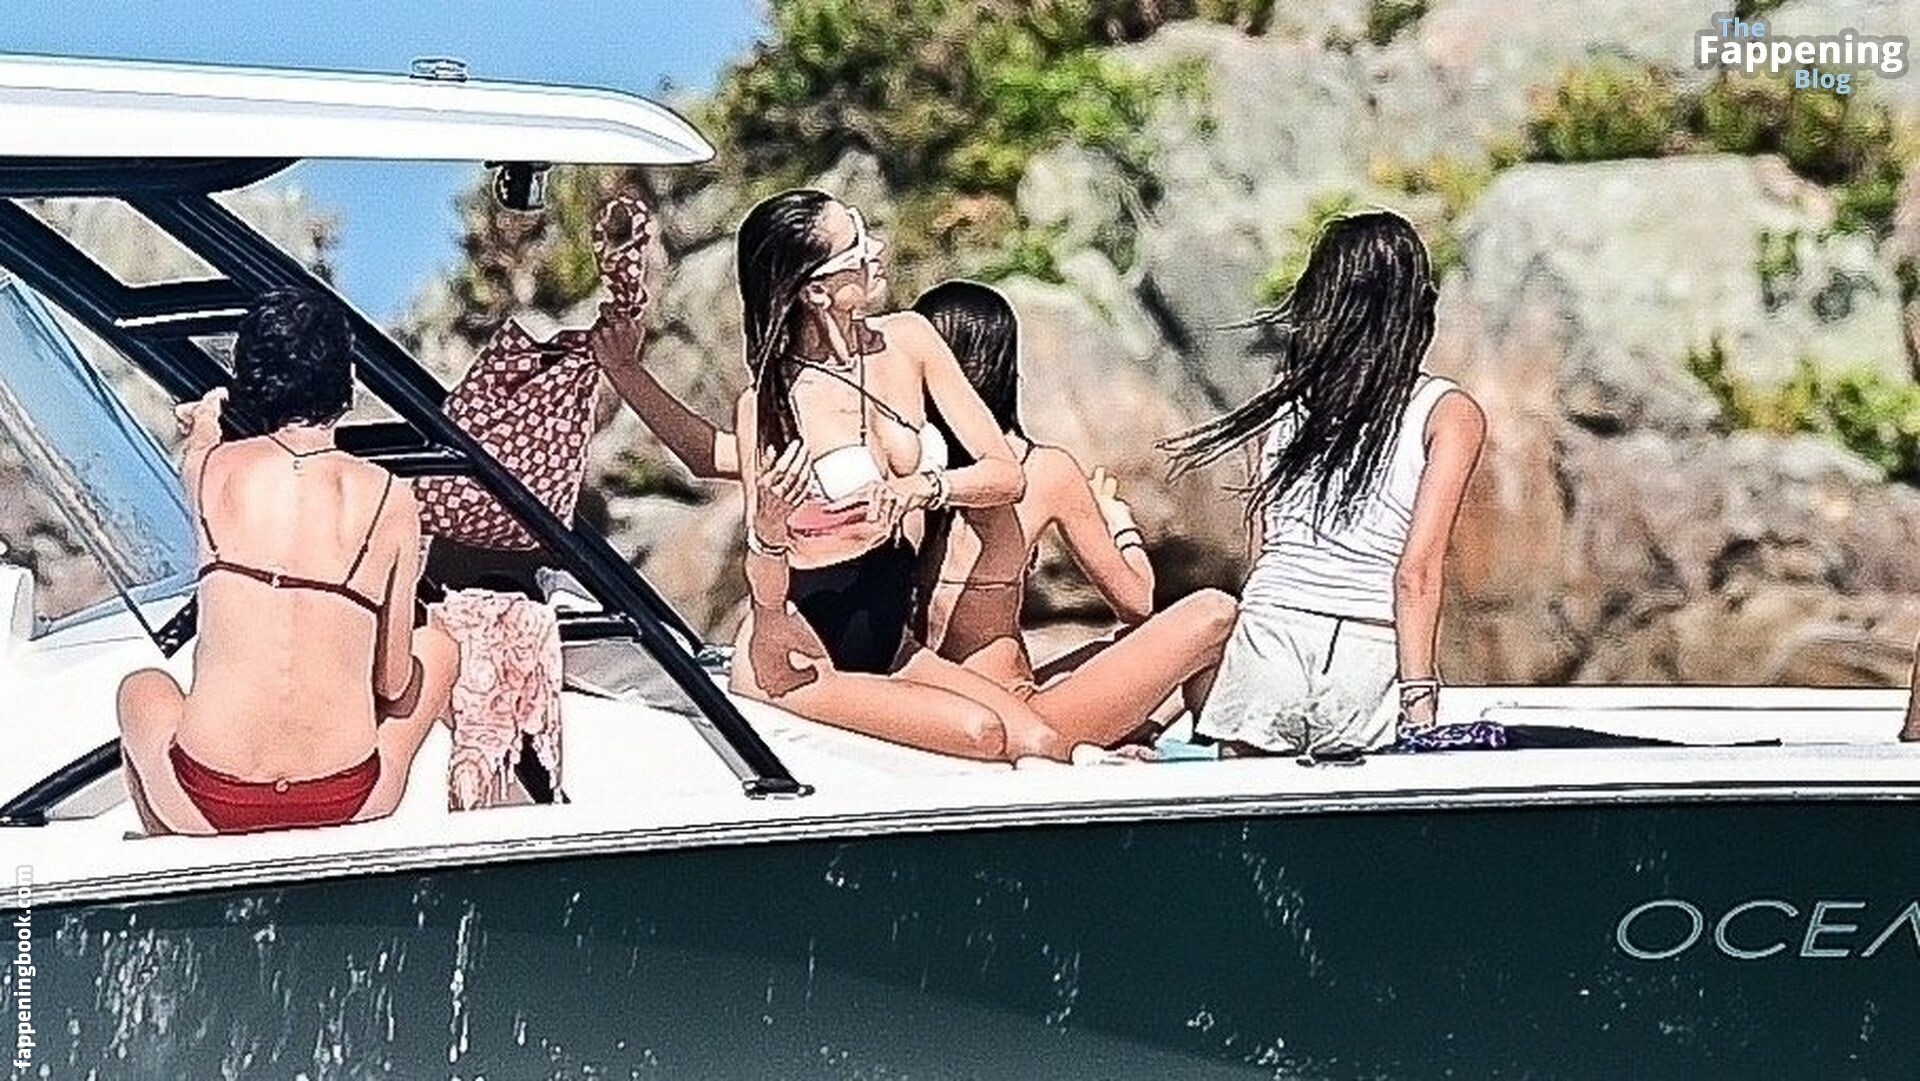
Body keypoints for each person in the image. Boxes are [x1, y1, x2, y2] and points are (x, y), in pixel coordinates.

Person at [721, 190, 1090, 763]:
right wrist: (767, 532)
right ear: (816, 292)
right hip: (798, 659)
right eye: (856, 247)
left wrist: (923, 487)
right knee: (982, 734)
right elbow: (767, 597)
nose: (877, 249)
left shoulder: (911, 341)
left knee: (1043, 742)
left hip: (890, 636)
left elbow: (1004, 477)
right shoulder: (765, 407)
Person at [117, 288, 459, 834]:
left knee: (141, 688)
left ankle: (176, 851)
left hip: (207, 800)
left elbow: (200, 443)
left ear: (251, 384)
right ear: (346, 383)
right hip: (346, 796)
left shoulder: (208, 472)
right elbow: (393, 684)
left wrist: (206, 416)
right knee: (439, 650)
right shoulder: (390, 498)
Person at [1162, 209, 1486, 757]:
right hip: (1363, 659)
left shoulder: (1288, 408)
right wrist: (1419, 707)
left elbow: (1265, 559)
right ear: (1416, 308)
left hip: (1266, 647)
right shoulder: (1447, 412)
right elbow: (1417, 574)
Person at [909, 281, 1237, 747]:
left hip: (936, 706)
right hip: (1023, 716)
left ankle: (1137, 745)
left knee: (1117, 649)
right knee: (1215, 615)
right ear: (1005, 367)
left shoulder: (905, 471)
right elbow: (1137, 604)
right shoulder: (1041, 471)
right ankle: (1219, 767)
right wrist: (1119, 522)